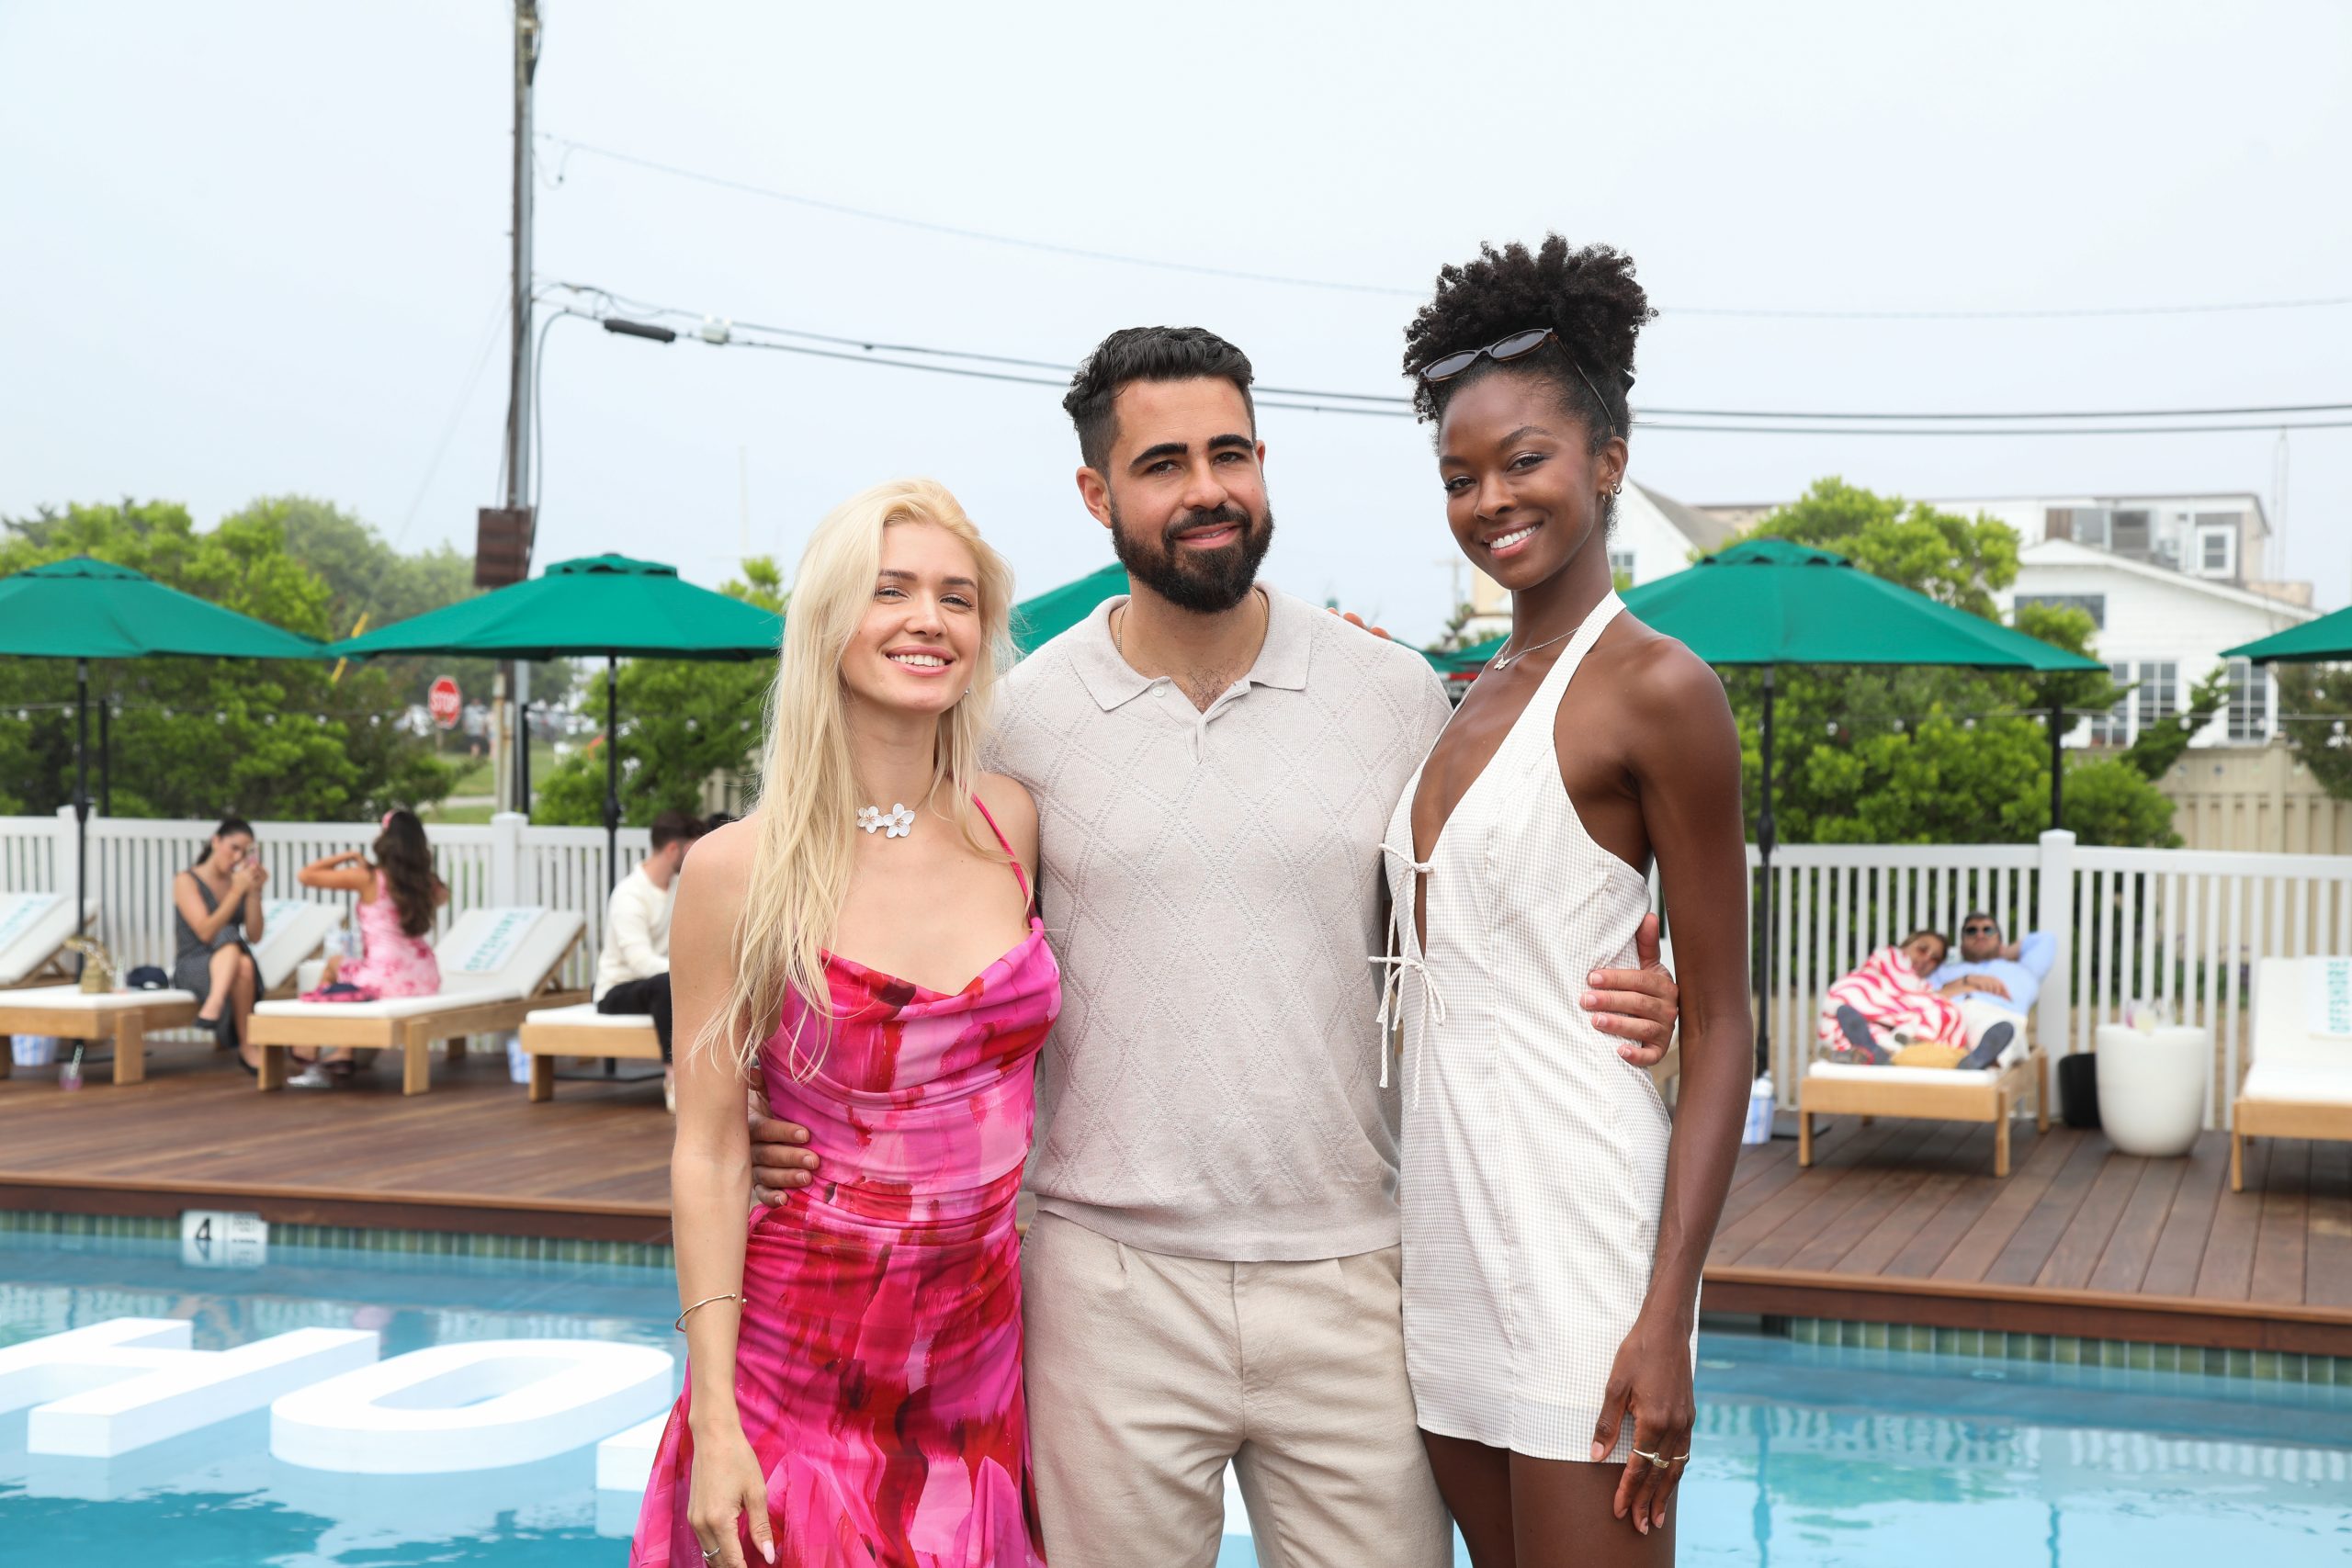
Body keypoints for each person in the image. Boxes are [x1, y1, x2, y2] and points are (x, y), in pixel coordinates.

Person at [742, 325, 1685, 1567]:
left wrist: (1638, 999)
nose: (1206, 489)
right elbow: (887, 926)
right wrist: (759, 1101)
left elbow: (1476, 924)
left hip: (1357, 1277)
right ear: (1097, 494)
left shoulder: (1394, 694)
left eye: (1229, 453)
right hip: (1104, 1290)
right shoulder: (1015, 723)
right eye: (1163, 463)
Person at [1389, 236, 1751, 1562]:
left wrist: (1668, 1316)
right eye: (1459, 477)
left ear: (1607, 460)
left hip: (1583, 1246)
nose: (1489, 500)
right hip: (1445, 1247)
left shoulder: (1660, 688)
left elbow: (1725, 1022)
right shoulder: (1454, 699)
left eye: (1523, 460)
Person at [632, 479, 1055, 1568]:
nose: (929, 619)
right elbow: (708, 1148)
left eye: (957, 598)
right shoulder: (737, 870)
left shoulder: (1011, 824)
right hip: (797, 1369)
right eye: (890, 590)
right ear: (827, 621)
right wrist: (714, 1418)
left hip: (978, 1367)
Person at [290, 808, 449, 1088]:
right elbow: (439, 898)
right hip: (424, 976)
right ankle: (343, 1051)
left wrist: (348, 856)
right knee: (351, 977)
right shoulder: (430, 884)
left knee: (334, 965)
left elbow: (306, 875)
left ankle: (311, 1051)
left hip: (384, 976)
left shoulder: (369, 878)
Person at [594, 809, 707, 1111]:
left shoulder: (679, 888)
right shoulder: (629, 895)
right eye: (690, 848)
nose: (696, 857)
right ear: (672, 849)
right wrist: (689, 973)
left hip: (664, 983)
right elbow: (640, 963)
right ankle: (673, 1079)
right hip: (618, 989)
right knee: (664, 984)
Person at [171, 816, 267, 1070]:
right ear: (215, 841)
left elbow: (255, 935)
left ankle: (216, 1008)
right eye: (234, 848)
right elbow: (205, 932)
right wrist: (236, 892)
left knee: (242, 961)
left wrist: (254, 892)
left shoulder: (240, 882)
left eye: (244, 852)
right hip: (194, 964)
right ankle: (247, 1046)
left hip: (233, 965)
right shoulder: (186, 880)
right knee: (229, 939)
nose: (237, 857)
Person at [1817, 931, 1977, 1066]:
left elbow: (1930, 1002)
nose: (1926, 959)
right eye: (1922, 949)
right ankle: (1879, 1050)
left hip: (1897, 1031)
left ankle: (1871, 1052)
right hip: (1867, 1020)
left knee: (1946, 1011)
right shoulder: (1882, 963)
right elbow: (1846, 994)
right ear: (1906, 946)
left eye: (1934, 959)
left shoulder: (1923, 989)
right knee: (1852, 995)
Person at [1929, 911, 2052, 1057]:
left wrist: (2003, 952)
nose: (1980, 935)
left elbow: (2046, 939)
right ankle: (1985, 1059)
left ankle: (1987, 1058)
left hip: (1999, 1017)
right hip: (1948, 1016)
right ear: (1961, 946)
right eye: (1971, 931)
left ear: (2000, 943)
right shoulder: (1943, 971)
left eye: (1988, 930)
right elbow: (1926, 997)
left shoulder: (2023, 970)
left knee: (2004, 1032)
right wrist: (1967, 981)